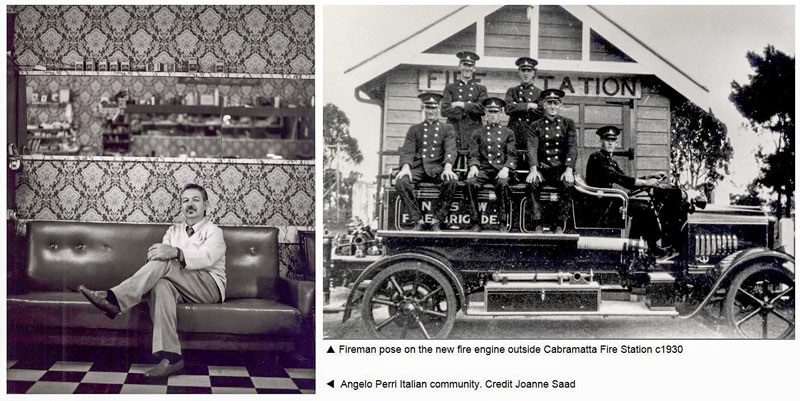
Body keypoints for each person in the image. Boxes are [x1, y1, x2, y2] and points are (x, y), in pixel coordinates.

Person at [78, 183, 226, 378]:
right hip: (180, 287)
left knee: (165, 264)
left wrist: (175, 252)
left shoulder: (214, 231)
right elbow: (159, 259)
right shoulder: (173, 231)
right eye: (185, 201)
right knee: (161, 285)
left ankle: (114, 300)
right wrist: (158, 257)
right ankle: (172, 357)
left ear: (206, 205)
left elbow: (207, 257)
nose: (190, 204)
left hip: (209, 287)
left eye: (196, 200)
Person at [585, 125, 667, 256]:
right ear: (600, 142)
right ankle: (646, 247)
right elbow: (618, 178)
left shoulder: (610, 160)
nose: (610, 143)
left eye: (613, 140)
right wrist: (645, 183)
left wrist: (650, 176)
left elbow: (626, 178)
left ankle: (643, 246)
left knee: (643, 207)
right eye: (607, 140)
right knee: (643, 209)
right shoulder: (597, 158)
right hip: (600, 204)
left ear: (617, 143)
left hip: (608, 201)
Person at [395, 92, 458, 231]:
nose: (431, 111)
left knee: (451, 181)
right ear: (423, 108)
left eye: (434, 108)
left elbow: (451, 150)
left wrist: (448, 168)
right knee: (401, 181)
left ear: (438, 109)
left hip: (437, 168)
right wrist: (405, 168)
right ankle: (417, 219)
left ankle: (437, 219)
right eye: (428, 108)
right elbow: (408, 151)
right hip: (418, 168)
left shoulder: (447, 128)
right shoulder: (414, 129)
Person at [525, 89, 577, 234]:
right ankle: (537, 223)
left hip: (560, 169)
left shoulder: (568, 123)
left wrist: (569, 169)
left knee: (568, 185)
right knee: (532, 183)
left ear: (560, 105)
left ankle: (559, 224)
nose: (553, 106)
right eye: (550, 103)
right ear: (544, 105)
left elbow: (572, 147)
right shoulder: (535, 125)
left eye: (556, 103)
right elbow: (532, 148)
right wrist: (534, 169)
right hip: (543, 169)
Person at [465, 97, 517, 232]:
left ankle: (503, 221)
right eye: (490, 112)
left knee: (503, 183)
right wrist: (474, 166)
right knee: (470, 183)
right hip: (484, 169)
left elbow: (512, 155)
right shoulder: (477, 133)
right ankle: (475, 221)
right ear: (485, 114)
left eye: (495, 112)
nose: (493, 115)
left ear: (500, 114)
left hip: (500, 169)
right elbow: (473, 154)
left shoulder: (508, 133)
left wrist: (506, 168)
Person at [440, 51, 489, 155]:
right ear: (459, 66)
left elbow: (482, 109)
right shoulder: (450, 88)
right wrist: (471, 109)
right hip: (455, 130)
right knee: (452, 161)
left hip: (474, 131)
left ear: (474, 68)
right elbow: (444, 111)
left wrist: (460, 104)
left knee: (473, 162)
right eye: (465, 65)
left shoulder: (481, 89)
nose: (467, 68)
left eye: (470, 65)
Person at [504, 57, 542, 162]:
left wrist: (517, 106)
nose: (526, 74)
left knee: (531, 164)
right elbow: (508, 108)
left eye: (529, 71)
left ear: (534, 73)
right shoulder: (512, 91)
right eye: (523, 70)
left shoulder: (539, 93)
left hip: (531, 134)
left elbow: (541, 111)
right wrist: (528, 106)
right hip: (514, 134)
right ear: (519, 72)